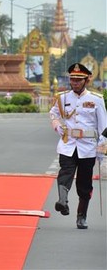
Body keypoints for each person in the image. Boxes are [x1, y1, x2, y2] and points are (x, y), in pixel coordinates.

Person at [49, 63, 107, 229]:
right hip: (68, 144)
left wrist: (101, 150)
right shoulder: (63, 97)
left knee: (84, 184)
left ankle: (81, 216)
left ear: (86, 80)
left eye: (78, 80)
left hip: (88, 147)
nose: (74, 82)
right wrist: (57, 125)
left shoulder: (96, 99)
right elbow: (53, 113)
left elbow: (104, 127)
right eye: (72, 79)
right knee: (65, 172)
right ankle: (63, 201)